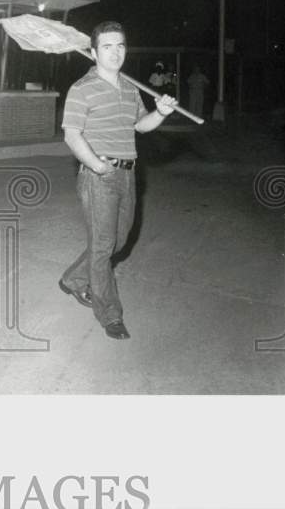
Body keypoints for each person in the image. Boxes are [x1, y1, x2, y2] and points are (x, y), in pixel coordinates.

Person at [58, 21, 176, 340]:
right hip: (99, 176)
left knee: (118, 241)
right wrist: (97, 165)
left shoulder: (130, 87)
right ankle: (109, 314)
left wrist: (161, 112)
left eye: (120, 46)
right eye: (107, 47)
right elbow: (71, 135)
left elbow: (141, 125)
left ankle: (72, 279)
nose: (115, 52)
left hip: (129, 174)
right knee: (102, 247)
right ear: (94, 52)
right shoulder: (82, 88)